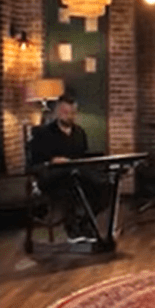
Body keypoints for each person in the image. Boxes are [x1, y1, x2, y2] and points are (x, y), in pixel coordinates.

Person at [27, 94, 104, 243]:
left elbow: (82, 156)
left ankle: (85, 223)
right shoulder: (43, 133)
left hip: (77, 174)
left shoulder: (79, 132)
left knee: (104, 186)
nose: (69, 116)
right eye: (65, 112)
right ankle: (73, 229)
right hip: (53, 177)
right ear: (57, 112)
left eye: (73, 113)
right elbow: (34, 161)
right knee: (70, 185)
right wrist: (52, 160)